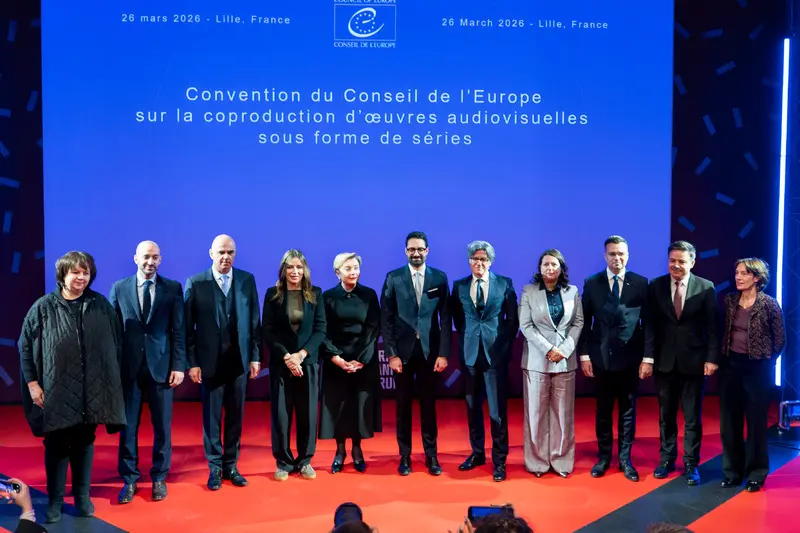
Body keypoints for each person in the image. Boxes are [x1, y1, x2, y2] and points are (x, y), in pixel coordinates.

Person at [18, 251, 126, 522]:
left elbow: (116, 345)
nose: (81, 277)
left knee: (84, 442)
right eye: (75, 272)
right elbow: (25, 347)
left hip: (90, 391)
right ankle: (55, 501)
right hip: (56, 389)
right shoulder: (43, 307)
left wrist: (108, 385)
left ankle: (82, 497)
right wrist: (33, 384)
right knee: (56, 444)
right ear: (62, 275)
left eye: (86, 272)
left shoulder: (101, 305)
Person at [109, 241, 186, 504]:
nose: (150, 262)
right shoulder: (119, 288)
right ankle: (129, 479)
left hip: (162, 368)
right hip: (128, 369)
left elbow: (179, 330)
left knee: (162, 426)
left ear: (160, 259)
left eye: (154, 257)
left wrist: (178, 365)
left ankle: (159, 477)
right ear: (135, 258)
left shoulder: (173, 288)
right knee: (127, 427)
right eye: (145, 257)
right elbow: (113, 332)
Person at [184, 235, 261, 490]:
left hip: (238, 361)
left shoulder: (247, 280)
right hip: (210, 362)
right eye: (221, 252)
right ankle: (215, 467)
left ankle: (231, 465)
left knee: (236, 416)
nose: (226, 257)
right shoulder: (196, 283)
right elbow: (187, 329)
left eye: (230, 252)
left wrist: (255, 356)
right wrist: (193, 362)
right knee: (212, 417)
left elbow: (254, 322)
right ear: (211, 254)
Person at [642, 241, 718, 486]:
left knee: (692, 417)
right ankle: (666, 460)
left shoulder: (705, 287)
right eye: (672, 260)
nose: (676, 265)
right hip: (664, 363)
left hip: (694, 363)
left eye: (681, 261)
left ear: (692, 262)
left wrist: (711, 358)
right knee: (666, 416)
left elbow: (712, 327)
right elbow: (650, 326)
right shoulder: (656, 286)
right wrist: (648, 358)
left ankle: (691, 464)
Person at [577, 235, 648, 482]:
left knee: (628, 410)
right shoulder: (592, 282)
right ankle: (604, 457)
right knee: (603, 410)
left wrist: (648, 358)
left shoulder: (641, 283)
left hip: (630, 358)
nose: (617, 258)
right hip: (600, 358)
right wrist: (584, 355)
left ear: (628, 256)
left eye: (621, 254)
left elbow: (648, 324)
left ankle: (626, 460)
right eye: (612, 254)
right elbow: (584, 322)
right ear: (605, 256)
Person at [380, 231, 451, 476]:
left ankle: (431, 456)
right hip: (402, 354)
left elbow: (445, 318)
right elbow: (386, 319)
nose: (416, 253)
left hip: (430, 353)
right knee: (403, 407)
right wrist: (391, 354)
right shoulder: (393, 277)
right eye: (412, 249)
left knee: (429, 406)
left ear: (427, 251)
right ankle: (405, 456)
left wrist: (443, 353)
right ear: (405, 251)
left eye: (420, 249)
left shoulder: (439, 278)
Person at [451, 241, 518, 482]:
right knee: (472, 408)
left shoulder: (504, 284)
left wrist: (502, 349)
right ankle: (477, 453)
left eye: (483, 259)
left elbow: (512, 321)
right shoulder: (459, 286)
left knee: (497, 411)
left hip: (495, 356)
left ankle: (499, 460)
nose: (479, 263)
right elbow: (458, 319)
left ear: (490, 261)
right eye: (475, 259)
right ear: (469, 261)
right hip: (470, 356)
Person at [719, 258, 786, 492]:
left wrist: (765, 360)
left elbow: (780, 340)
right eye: (737, 272)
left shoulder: (769, 304)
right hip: (731, 367)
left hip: (758, 370)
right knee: (730, 422)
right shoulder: (729, 301)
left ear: (757, 278)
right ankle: (732, 472)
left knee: (756, 423)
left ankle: (756, 473)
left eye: (744, 273)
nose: (738, 277)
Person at [518, 249, 584, 478]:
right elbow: (526, 325)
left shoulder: (572, 291)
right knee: (535, 414)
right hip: (537, 360)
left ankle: (561, 461)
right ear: (539, 268)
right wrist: (548, 349)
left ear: (561, 268)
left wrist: (564, 350)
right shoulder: (528, 291)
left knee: (563, 415)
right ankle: (537, 463)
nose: (549, 268)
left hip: (564, 361)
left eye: (554, 264)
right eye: (545, 264)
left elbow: (578, 322)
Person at [263, 250, 327, 481]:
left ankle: (305, 461)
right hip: (282, 365)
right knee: (281, 416)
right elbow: (268, 331)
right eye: (290, 267)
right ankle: (283, 462)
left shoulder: (315, 294)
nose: (294, 271)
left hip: (307, 364)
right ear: (283, 270)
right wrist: (287, 357)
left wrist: (301, 355)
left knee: (308, 414)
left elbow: (320, 329)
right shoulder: (272, 295)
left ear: (305, 269)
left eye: (299, 267)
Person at [319, 253, 382, 474]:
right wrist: (336, 357)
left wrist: (361, 360)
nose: (353, 272)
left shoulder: (369, 295)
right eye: (348, 269)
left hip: (362, 360)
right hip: (336, 361)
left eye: (356, 268)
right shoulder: (327, 297)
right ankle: (339, 451)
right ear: (338, 272)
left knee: (358, 406)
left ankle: (357, 450)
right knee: (338, 406)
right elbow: (322, 330)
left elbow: (373, 329)